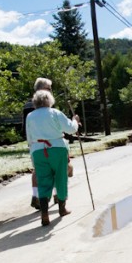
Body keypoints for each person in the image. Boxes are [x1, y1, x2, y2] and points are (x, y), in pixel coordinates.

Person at [25, 88, 79, 226]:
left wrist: (32, 154)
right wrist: (75, 121)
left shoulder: (30, 116)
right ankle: (62, 208)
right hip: (57, 148)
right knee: (61, 177)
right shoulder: (55, 113)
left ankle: (44, 213)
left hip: (38, 150)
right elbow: (71, 129)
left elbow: (29, 138)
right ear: (49, 101)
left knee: (43, 180)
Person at [24, 78, 53, 207]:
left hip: (35, 143)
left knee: (38, 169)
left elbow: (26, 127)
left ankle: (36, 196)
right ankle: (57, 196)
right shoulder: (46, 104)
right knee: (55, 168)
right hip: (48, 142)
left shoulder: (27, 105)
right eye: (48, 88)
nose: (50, 90)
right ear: (41, 88)